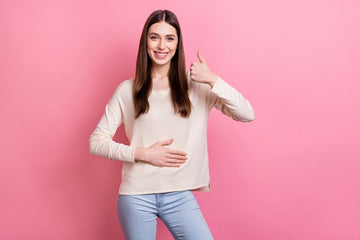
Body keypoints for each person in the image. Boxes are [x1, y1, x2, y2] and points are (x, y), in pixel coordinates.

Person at [89, 9, 254, 240]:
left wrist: (213, 79)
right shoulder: (128, 90)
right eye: (154, 37)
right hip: (136, 195)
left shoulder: (197, 85)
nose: (161, 45)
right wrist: (142, 154)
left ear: (177, 45)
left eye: (170, 38)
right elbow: (96, 142)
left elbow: (247, 114)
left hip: (179, 195)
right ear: (145, 42)